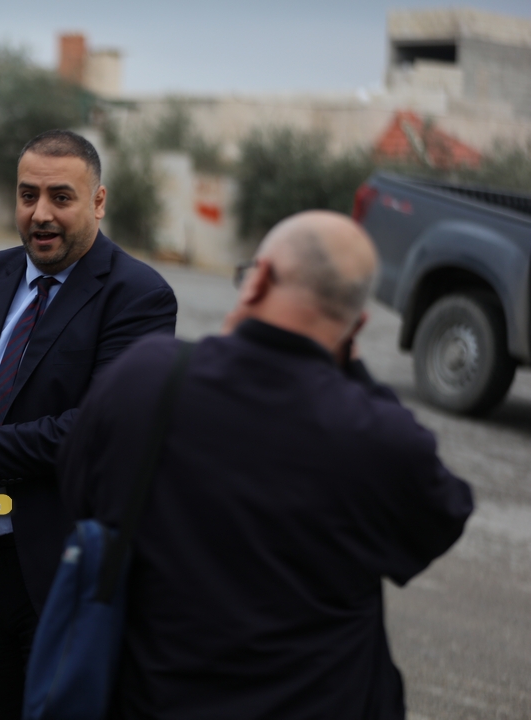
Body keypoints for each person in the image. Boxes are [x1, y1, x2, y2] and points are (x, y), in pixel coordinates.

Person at [59, 210, 474, 719]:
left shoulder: (147, 378)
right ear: (356, 326)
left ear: (258, 280)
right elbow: (443, 518)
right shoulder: (382, 439)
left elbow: (78, 492)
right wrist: (356, 372)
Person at [0, 129, 178, 719]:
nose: (40, 214)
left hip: (68, 566)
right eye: (28, 195)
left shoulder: (139, 297)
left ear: (98, 201)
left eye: (60, 197)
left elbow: (100, 428)